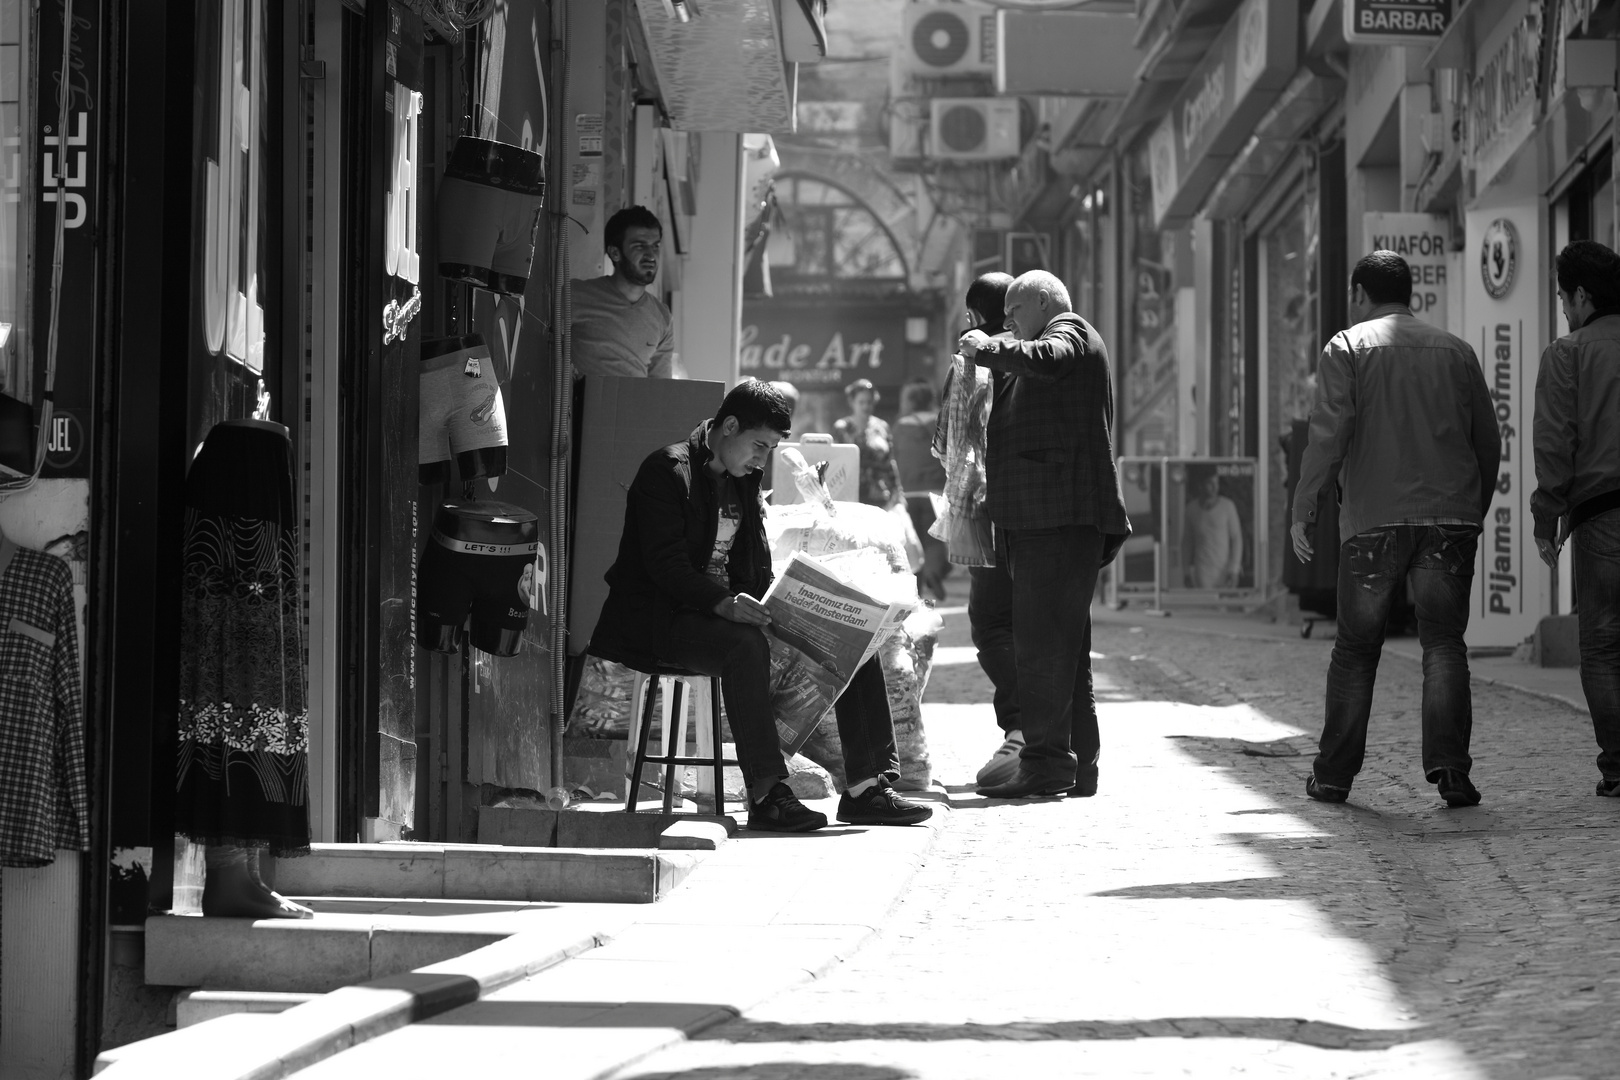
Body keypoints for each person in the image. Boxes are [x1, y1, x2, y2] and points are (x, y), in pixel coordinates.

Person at [587, 380, 933, 832]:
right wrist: (722, 603)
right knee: (744, 644)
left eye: (770, 449)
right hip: (664, 620)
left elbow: (752, 559)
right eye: (758, 445)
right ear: (728, 426)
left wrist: (788, 601)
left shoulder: (745, 478)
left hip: (728, 611)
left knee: (854, 638)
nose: (761, 459)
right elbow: (663, 566)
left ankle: (866, 789)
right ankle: (768, 794)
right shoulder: (667, 471)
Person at [1292, 250, 1500, 808]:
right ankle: (1452, 768)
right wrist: (1472, 508)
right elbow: (1487, 440)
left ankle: (1333, 776)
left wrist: (1304, 505)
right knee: (1445, 645)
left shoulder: (1348, 346)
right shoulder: (1457, 352)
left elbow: (1329, 434)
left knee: (1357, 650)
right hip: (1450, 516)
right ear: (1408, 294)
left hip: (1374, 521)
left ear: (1361, 292)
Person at [957, 270, 1131, 799]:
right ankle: (1076, 767)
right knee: (1064, 651)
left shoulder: (1069, 331)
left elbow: (1044, 358)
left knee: (1041, 649)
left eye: (1014, 312)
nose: (1007, 323)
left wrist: (986, 346)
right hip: (1043, 522)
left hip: (1057, 521)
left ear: (1041, 301)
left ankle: (1046, 763)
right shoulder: (1040, 343)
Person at [1532, 240, 1620, 797]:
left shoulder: (1569, 354)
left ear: (1583, 296)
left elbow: (1555, 443)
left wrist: (1548, 516)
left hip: (1603, 515)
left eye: (1564, 298)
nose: (1564, 309)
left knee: (1604, 643)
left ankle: (1618, 765)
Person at [934, 272, 1023, 788]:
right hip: (1038, 511)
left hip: (987, 510)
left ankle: (1020, 729)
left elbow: (947, 444)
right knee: (1031, 622)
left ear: (972, 316)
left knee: (990, 624)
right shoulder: (1042, 351)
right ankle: (1049, 733)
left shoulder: (973, 358)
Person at [569, 205, 675, 379]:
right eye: (639, 246)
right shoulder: (574, 295)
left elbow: (660, 392)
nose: (651, 256)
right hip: (576, 404)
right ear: (615, 253)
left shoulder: (663, 318)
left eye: (655, 246)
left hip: (633, 406)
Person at [893, 379, 950, 601]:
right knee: (934, 539)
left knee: (913, 543)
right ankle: (934, 573)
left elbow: (895, 455)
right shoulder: (939, 421)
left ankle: (915, 589)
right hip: (935, 491)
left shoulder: (900, 425)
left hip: (908, 492)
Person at [833, 379, 903, 508]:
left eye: (869, 402)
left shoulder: (882, 427)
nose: (866, 406)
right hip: (850, 495)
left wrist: (897, 492)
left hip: (878, 494)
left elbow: (890, 462)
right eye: (861, 402)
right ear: (852, 402)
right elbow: (835, 462)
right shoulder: (842, 427)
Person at [1183, 465, 1244, 588]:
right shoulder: (1191, 510)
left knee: (1223, 605)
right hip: (1203, 570)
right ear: (1201, 485)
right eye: (1210, 483)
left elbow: (1236, 538)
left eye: (1216, 482)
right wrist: (1185, 571)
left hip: (1224, 569)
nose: (1215, 487)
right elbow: (1187, 542)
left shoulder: (1227, 507)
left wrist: (1234, 568)